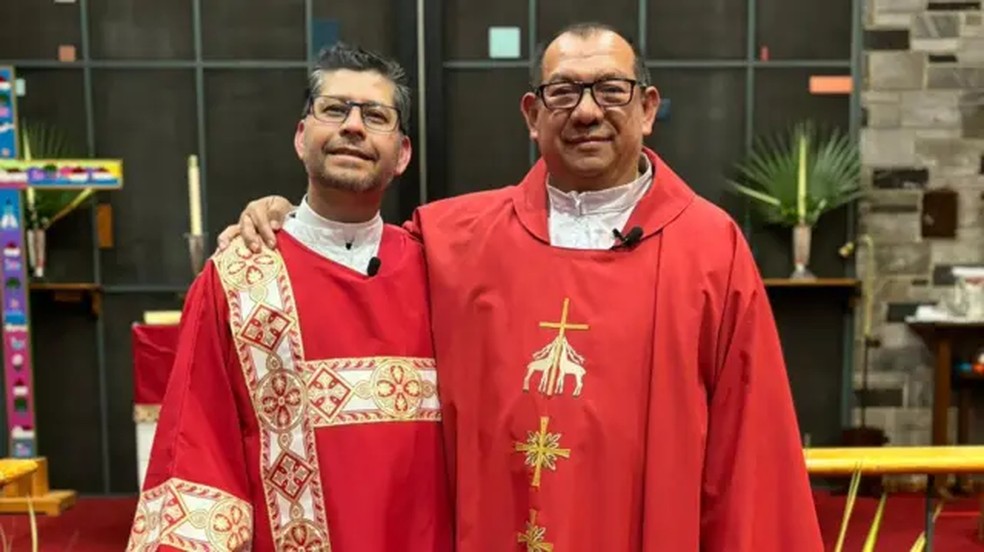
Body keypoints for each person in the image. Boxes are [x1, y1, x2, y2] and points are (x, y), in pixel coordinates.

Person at [220, 24, 824, 551]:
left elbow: (752, 453)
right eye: (563, 92)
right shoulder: (454, 240)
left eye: (611, 90)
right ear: (533, 116)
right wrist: (290, 221)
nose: (586, 112)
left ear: (647, 108)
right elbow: (348, 266)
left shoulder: (710, 250)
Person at [127, 43, 452, 552]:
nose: (353, 126)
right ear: (302, 137)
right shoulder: (238, 279)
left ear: (403, 154)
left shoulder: (442, 272)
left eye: (375, 116)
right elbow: (197, 444)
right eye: (334, 109)